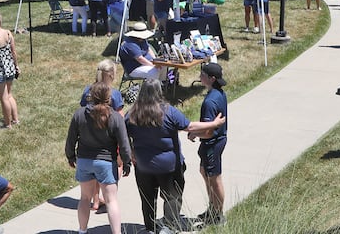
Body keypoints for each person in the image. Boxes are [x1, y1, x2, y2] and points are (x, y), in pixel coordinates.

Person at [126, 79, 225, 233]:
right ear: (160, 92)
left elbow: (122, 134)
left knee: (147, 199)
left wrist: (131, 151)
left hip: (143, 166)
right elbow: (190, 126)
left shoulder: (132, 113)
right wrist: (213, 124)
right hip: (169, 167)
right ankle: (169, 227)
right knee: (172, 197)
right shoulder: (168, 111)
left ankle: (150, 228)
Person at [65, 82, 132, 234]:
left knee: (84, 198)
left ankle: (82, 230)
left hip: (84, 161)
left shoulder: (80, 114)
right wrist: (126, 162)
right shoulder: (115, 117)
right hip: (106, 163)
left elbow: (71, 140)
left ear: (91, 96)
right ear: (109, 98)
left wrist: (70, 156)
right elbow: (124, 144)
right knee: (111, 201)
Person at [79, 59, 125, 213]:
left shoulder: (87, 91)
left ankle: (96, 200)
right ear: (111, 74)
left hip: (89, 138)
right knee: (116, 166)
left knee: (93, 171)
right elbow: (120, 116)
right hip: (109, 138)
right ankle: (110, 197)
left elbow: (82, 112)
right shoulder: (115, 94)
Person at [189, 63, 228, 227]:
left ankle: (218, 215)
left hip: (212, 143)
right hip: (214, 142)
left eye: (202, 74)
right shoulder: (219, 93)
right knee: (204, 171)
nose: (200, 77)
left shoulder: (210, 102)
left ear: (212, 79)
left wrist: (193, 133)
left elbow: (209, 131)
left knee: (214, 178)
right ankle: (212, 208)